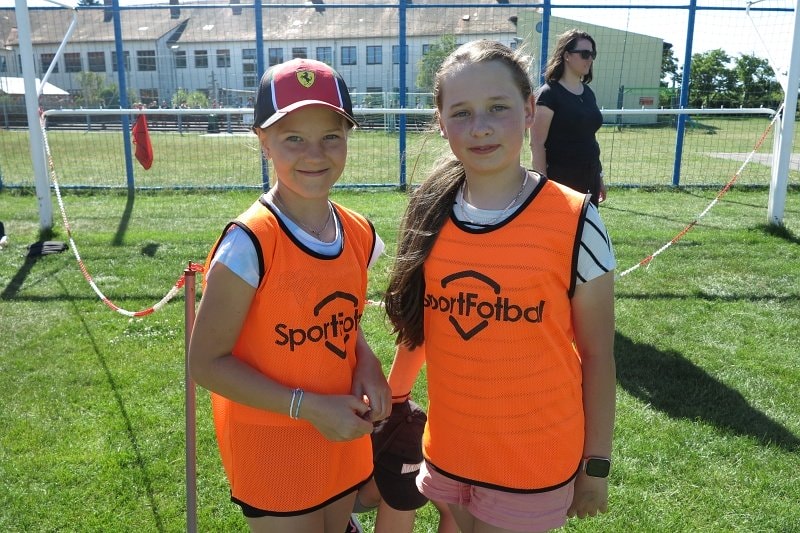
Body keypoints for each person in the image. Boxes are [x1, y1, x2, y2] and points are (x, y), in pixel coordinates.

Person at [383, 40, 617, 533]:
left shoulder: (575, 219)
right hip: (451, 448)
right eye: (461, 113)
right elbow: (422, 325)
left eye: (497, 108)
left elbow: (597, 354)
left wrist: (596, 463)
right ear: (441, 121)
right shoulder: (429, 209)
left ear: (529, 109)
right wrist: (393, 399)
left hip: (532, 457)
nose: (481, 127)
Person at [188, 57, 392, 532]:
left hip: (339, 431)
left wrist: (366, 361)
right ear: (263, 141)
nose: (314, 154)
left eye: (331, 137)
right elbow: (205, 364)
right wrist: (308, 407)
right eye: (293, 138)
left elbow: (342, 318)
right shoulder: (250, 243)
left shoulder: (357, 232)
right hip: (273, 447)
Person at [530, 29, 607, 206]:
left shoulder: (588, 93)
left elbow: (590, 139)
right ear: (566, 55)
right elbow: (537, 144)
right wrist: (544, 187)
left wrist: (599, 177)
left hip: (590, 177)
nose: (590, 59)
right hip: (562, 181)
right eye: (585, 54)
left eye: (592, 54)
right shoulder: (548, 94)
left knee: (587, 223)